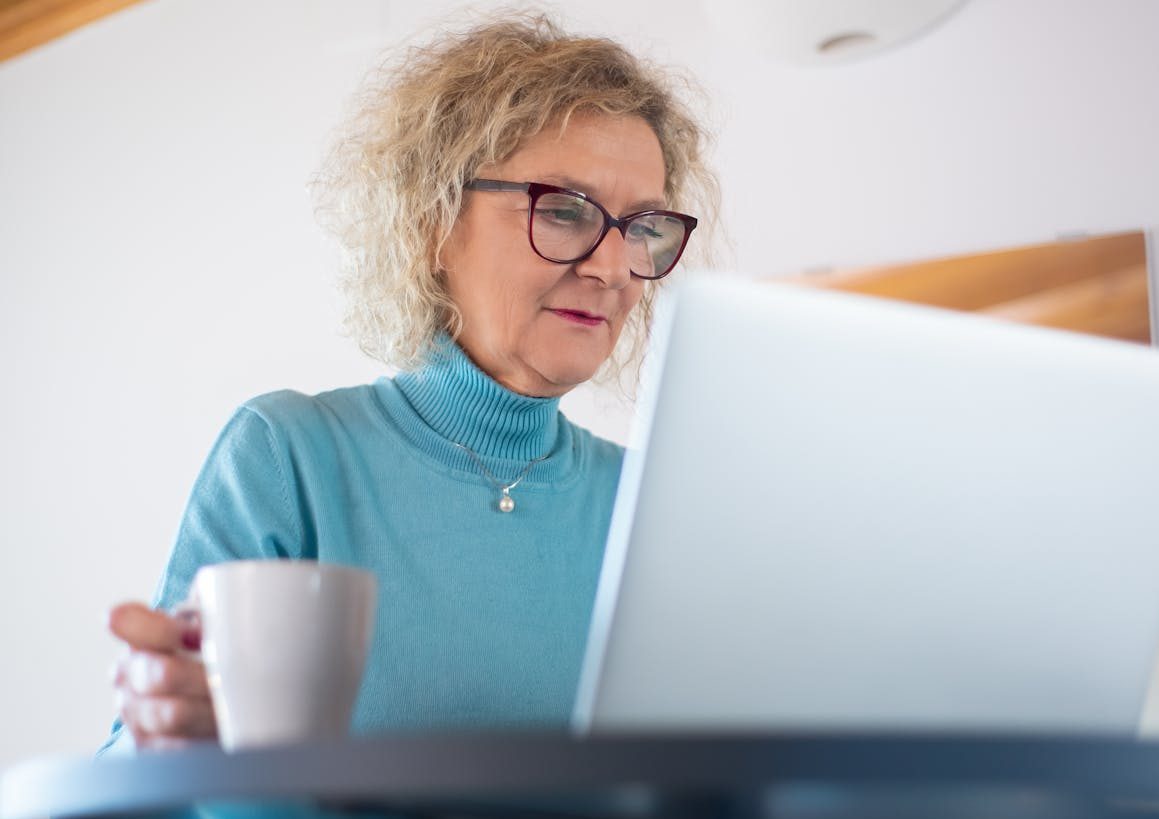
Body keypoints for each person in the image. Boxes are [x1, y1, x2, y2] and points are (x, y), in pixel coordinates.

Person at [103, 13, 717, 753]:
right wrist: (171, 735)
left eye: (643, 227)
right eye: (562, 210)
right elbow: (134, 764)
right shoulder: (288, 457)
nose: (614, 269)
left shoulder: (650, 506)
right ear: (432, 221)